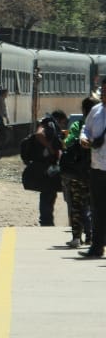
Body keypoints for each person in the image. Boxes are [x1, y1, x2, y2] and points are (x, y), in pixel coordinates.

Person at [60, 97, 96, 247]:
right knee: (94, 204)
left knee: (77, 204)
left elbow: (67, 143)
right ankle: (92, 236)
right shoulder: (100, 125)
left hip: (79, 171)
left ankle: (76, 237)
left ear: (83, 110)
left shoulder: (78, 125)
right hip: (96, 171)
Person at [79, 80, 106, 258]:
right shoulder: (96, 111)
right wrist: (84, 138)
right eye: (103, 91)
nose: (103, 94)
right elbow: (86, 129)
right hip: (97, 167)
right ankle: (97, 247)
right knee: (98, 209)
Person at [32, 109, 68, 227]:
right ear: (59, 120)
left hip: (50, 164)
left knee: (50, 192)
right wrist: (50, 148)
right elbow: (39, 134)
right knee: (47, 192)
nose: (63, 126)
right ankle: (45, 221)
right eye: (63, 123)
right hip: (46, 165)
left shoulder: (52, 126)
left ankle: (47, 220)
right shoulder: (48, 124)